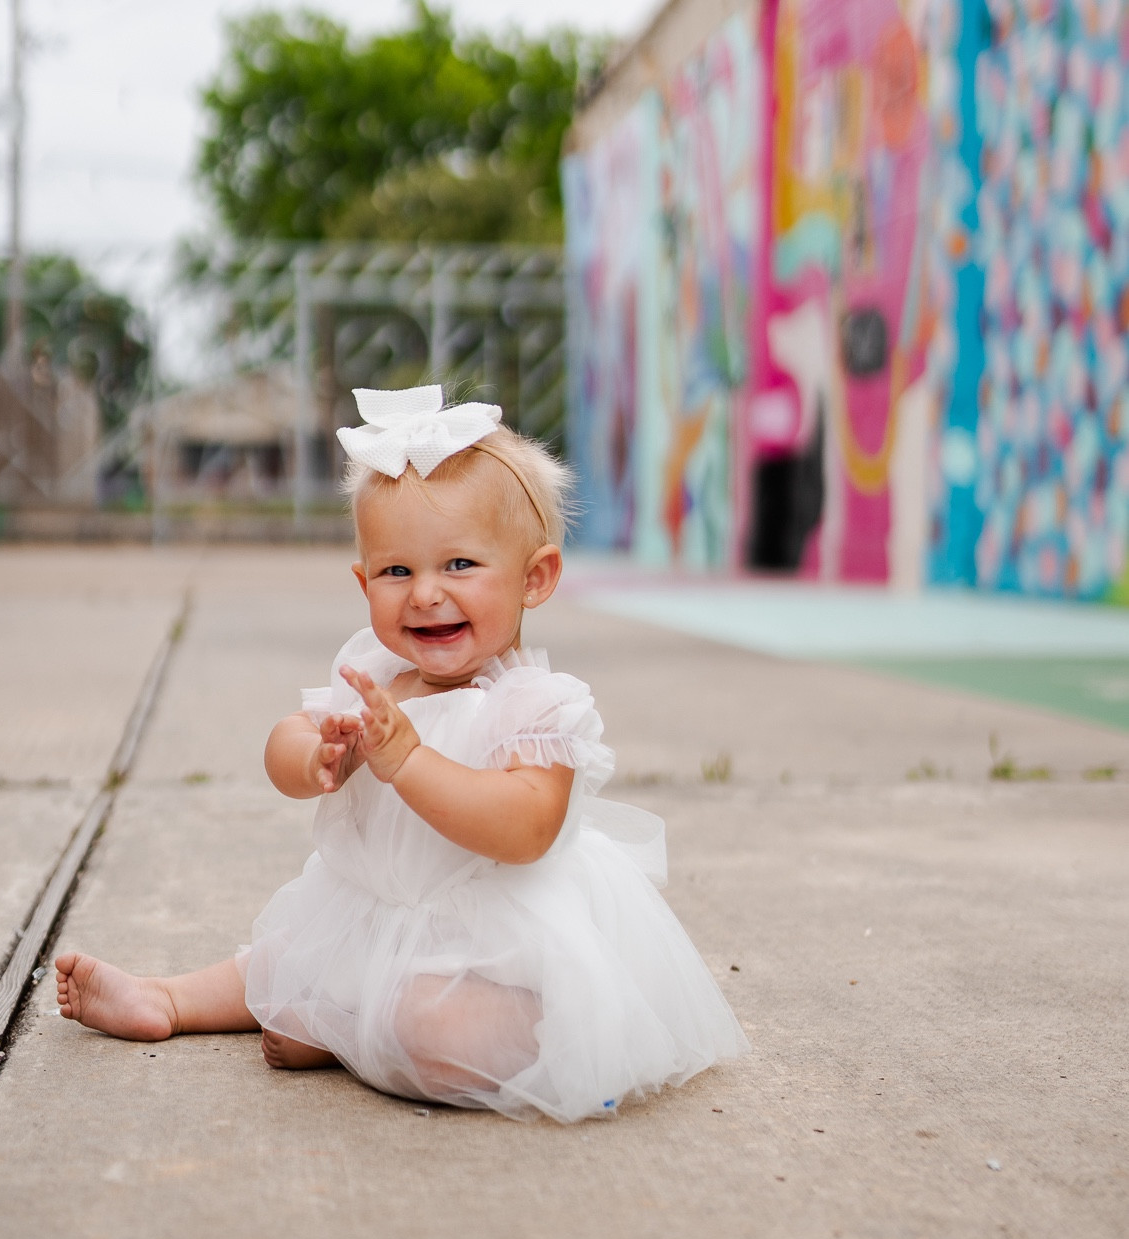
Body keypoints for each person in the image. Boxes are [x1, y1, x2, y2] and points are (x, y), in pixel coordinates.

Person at [56, 386, 748, 1122]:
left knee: (430, 1025)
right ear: (363, 583)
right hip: (372, 914)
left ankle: (346, 1030)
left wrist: (409, 761)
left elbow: (526, 828)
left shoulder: (535, 706)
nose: (424, 594)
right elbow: (283, 742)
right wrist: (313, 755)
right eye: (395, 572)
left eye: (458, 565)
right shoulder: (375, 678)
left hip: (498, 952)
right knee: (285, 959)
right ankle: (169, 997)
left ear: (534, 578)